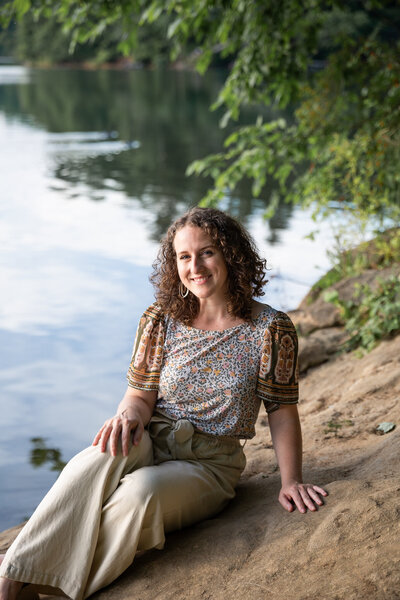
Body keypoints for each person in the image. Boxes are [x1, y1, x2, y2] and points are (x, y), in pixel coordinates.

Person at [0, 207, 327, 600]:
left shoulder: (270, 329)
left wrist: (290, 480)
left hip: (208, 463)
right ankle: (12, 575)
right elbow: (139, 397)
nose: (196, 266)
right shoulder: (161, 319)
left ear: (231, 255)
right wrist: (127, 418)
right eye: (184, 256)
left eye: (207, 252)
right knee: (94, 459)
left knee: (140, 493)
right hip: (149, 435)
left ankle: (47, 586)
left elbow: (282, 412)